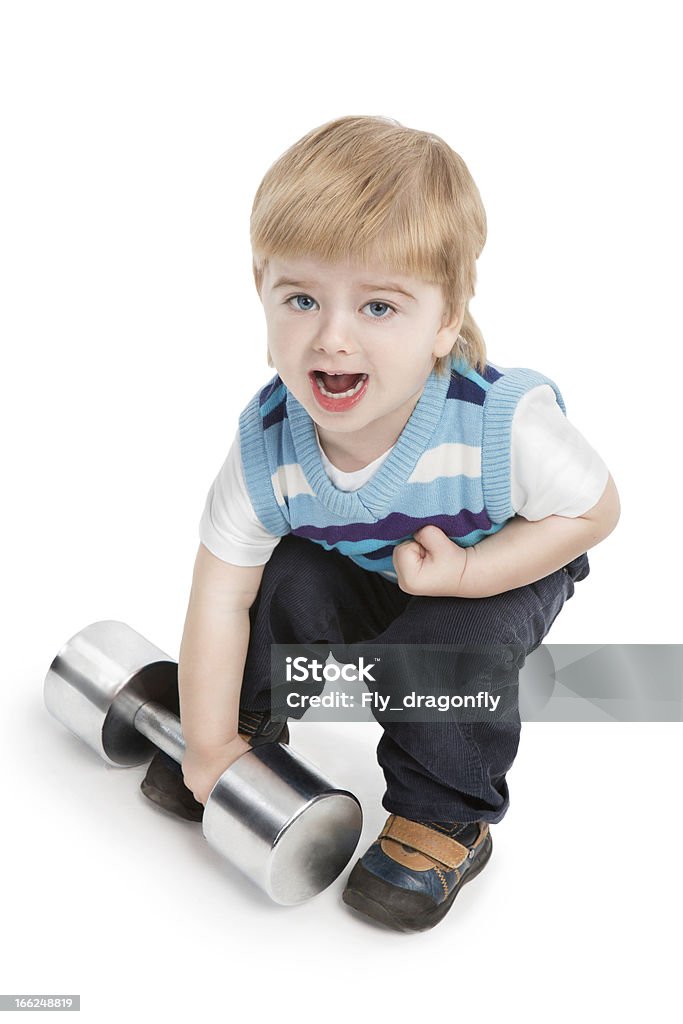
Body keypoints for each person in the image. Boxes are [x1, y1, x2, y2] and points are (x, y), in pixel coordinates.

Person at [140, 114, 620, 932]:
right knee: (280, 577)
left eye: (378, 306)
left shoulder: (502, 426)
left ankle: (445, 815)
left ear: (444, 321)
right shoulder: (267, 449)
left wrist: (469, 574)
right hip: (368, 563)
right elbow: (218, 595)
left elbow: (594, 510)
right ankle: (248, 716)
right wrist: (212, 746)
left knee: (440, 647)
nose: (332, 336)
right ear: (260, 294)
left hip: (500, 566)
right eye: (301, 298)